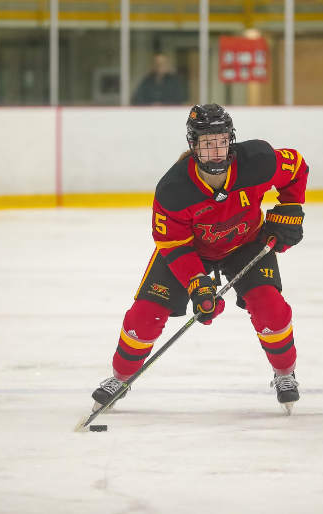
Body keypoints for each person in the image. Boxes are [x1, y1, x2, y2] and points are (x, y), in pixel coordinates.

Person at [90, 103, 310, 414]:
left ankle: (285, 374)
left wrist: (291, 209)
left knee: (270, 308)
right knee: (145, 315)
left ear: (230, 140)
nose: (216, 151)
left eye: (221, 141)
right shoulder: (174, 190)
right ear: (193, 145)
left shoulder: (258, 161)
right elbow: (174, 244)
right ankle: (120, 378)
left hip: (246, 242)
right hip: (191, 250)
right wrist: (197, 284)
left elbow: (297, 167)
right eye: (207, 144)